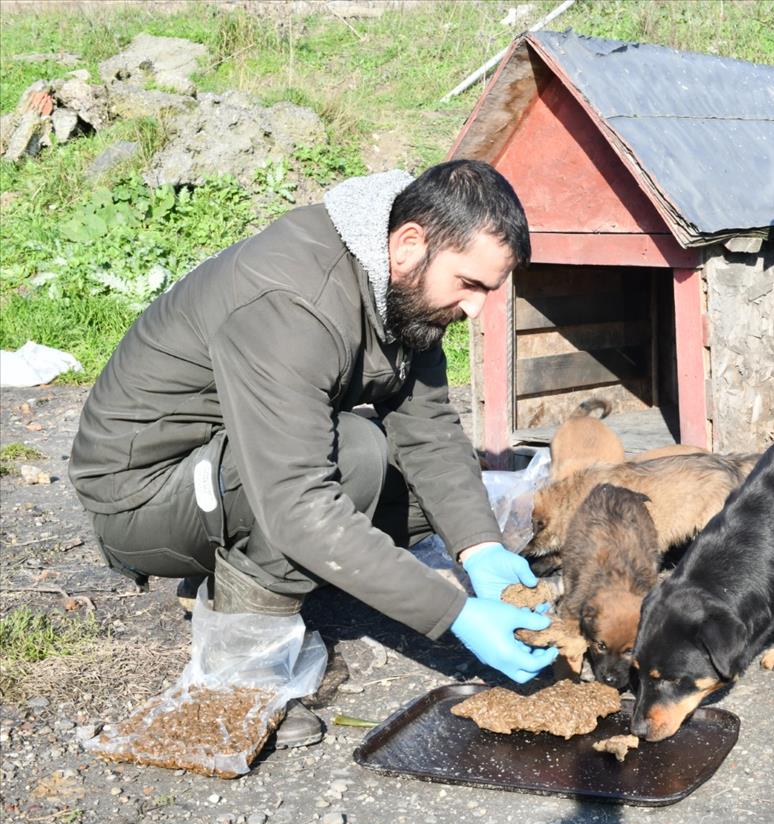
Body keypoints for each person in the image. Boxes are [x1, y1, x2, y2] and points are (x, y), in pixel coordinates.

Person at [69, 160, 558, 746]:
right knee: (354, 456)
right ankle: (242, 679)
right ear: (409, 244)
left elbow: (427, 426)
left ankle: (258, 562)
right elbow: (298, 503)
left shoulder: (403, 286)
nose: (478, 308)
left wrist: (480, 549)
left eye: (489, 290)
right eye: (470, 284)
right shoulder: (292, 301)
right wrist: (453, 614)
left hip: (233, 463)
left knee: (421, 487)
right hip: (143, 491)